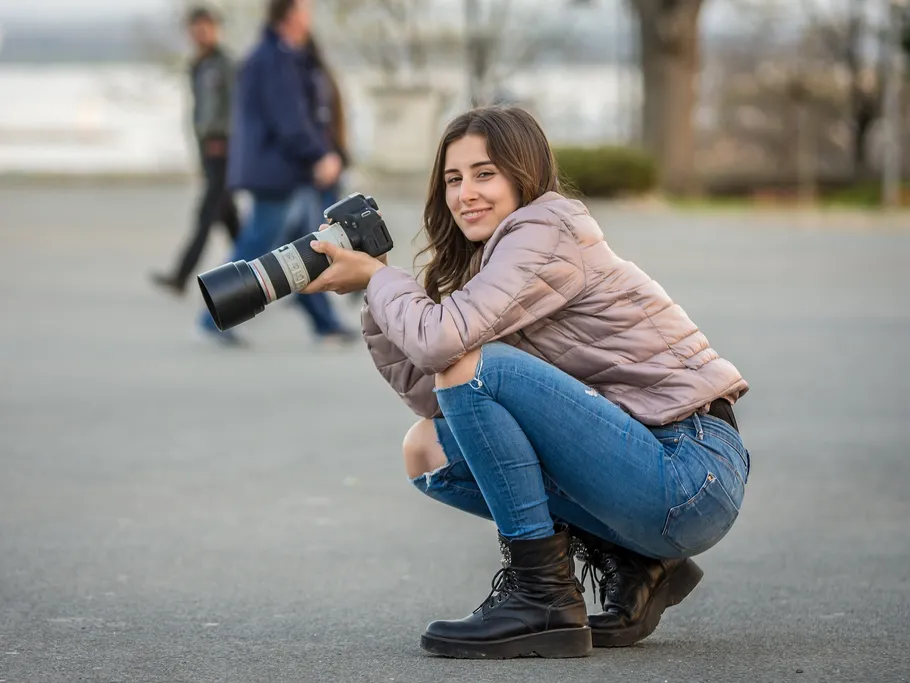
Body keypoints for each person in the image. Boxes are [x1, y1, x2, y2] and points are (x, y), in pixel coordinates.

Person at [302, 106, 751, 659]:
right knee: (428, 449)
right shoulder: (496, 260)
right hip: (643, 473)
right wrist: (376, 297)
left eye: (485, 174)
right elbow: (437, 395)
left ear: (525, 174)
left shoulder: (546, 229)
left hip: (690, 470)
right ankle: (636, 560)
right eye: (453, 178)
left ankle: (541, 598)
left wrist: (379, 279)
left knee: (470, 362)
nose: (466, 192)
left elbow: (449, 351)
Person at [198, 0, 354, 345]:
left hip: (287, 171)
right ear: (291, 15)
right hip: (277, 173)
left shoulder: (285, 55)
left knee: (308, 249)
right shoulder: (273, 59)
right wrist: (320, 155)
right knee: (257, 246)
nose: (310, 15)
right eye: (305, 9)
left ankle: (324, 323)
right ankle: (212, 316)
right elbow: (289, 119)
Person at [151, 5, 241, 296]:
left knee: (206, 215)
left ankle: (181, 275)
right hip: (208, 151)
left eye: (207, 27)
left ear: (216, 29)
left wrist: (226, 138)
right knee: (231, 222)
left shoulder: (224, 64)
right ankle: (264, 273)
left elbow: (236, 107)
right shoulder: (198, 65)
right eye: (196, 28)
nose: (201, 33)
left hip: (223, 149)